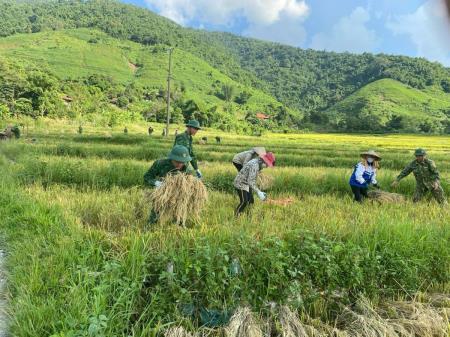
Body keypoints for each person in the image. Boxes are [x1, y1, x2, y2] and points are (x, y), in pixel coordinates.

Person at [144, 145, 192, 224]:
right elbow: (147, 177)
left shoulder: (187, 169)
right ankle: (151, 225)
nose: (180, 164)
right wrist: (156, 183)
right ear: (172, 158)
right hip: (162, 194)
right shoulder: (160, 164)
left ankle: (179, 226)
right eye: (177, 162)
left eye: (182, 162)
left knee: (180, 214)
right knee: (155, 215)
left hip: (178, 195)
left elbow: (190, 183)